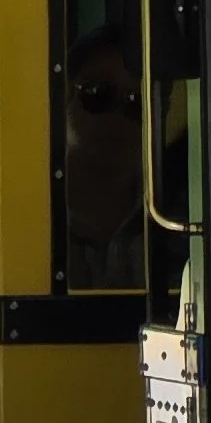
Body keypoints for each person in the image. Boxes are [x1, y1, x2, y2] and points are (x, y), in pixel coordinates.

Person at [60, 26, 144, 287]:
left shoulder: (178, 221)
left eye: (136, 103)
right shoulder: (20, 217)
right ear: (63, 96)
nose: (116, 118)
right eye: (97, 95)